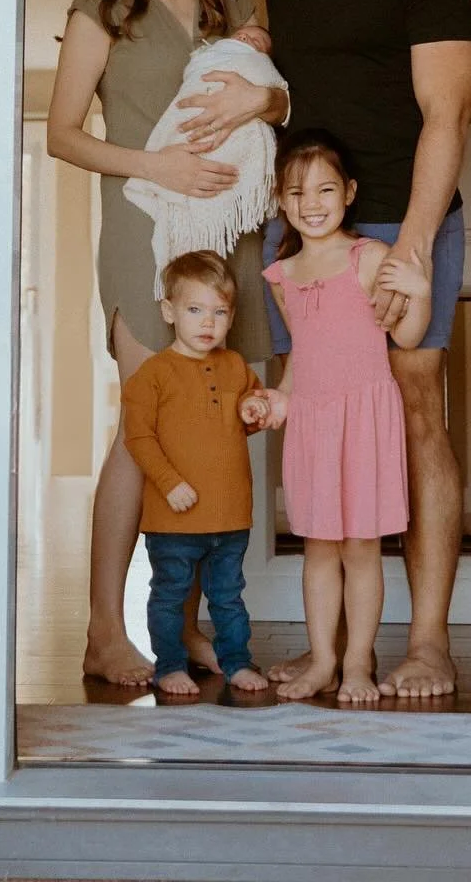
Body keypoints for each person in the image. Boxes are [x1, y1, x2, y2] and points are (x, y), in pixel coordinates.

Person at [46, 0, 287, 686]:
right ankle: (106, 631)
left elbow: (279, 97)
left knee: (215, 429)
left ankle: (184, 631)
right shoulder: (103, 4)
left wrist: (267, 97)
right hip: (144, 227)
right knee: (143, 427)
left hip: (230, 237)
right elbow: (62, 132)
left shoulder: (235, 4)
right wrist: (160, 168)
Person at [262, 0, 471, 698]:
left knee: (416, 412)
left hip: (399, 218)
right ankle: (331, 653)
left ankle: (426, 642)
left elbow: (449, 112)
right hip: (308, 230)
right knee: (316, 417)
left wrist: (416, 247)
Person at [262, 132, 431, 704]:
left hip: (363, 425)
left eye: (326, 189)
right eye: (298, 191)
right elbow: (300, 358)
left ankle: (358, 663)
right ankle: (323, 662)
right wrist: (279, 399)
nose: (312, 202)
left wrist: (420, 293)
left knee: (360, 549)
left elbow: (405, 335)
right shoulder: (282, 275)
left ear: (350, 193)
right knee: (316, 550)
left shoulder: (370, 259)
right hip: (312, 424)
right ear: (281, 201)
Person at [122, 250, 283, 696]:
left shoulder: (235, 366)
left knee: (229, 599)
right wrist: (170, 484)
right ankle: (169, 664)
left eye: (219, 312)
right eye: (195, 310)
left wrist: (255, 410)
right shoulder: (152, 375)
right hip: (173, 518)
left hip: (230, 516)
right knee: (170, 595)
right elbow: (138, 439)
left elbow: (247, 419)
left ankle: (236, 663)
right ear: (169, 311)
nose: (207, 323)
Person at [124, 22, 287, 287]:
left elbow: (270, 83)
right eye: (243, 36)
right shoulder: (210, 54)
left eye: (258, 43)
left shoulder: (249, 48)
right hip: (183, 134)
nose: (247, 38)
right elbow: (196, 75)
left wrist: (264, 94)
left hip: (234, 120)